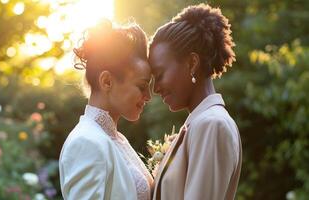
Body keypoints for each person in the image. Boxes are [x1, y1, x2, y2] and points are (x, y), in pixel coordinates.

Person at [148, 4, 242, 200]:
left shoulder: (212, 125)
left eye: (160, 74)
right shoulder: (199, 124)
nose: (155, 88)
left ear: (192, 63)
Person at [59, 19, 153, 200]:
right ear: (107, 81)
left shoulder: (116, 139)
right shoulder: (86, 142)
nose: (148, 96)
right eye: (142, 86)